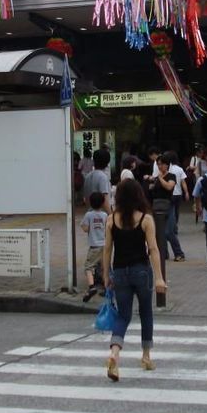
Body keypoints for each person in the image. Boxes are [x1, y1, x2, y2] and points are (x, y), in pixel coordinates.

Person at [102, 178, 166, 382]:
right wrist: (159, 278)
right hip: (141, 271)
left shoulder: (111, 219)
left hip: (120, 272)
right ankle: (146, 356)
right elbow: (154, 249)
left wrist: (106, 274)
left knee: (123, 316)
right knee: (146, 312)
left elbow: (107, 249)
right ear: (139, 194)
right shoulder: (145, 219)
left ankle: (114, 353)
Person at [80, 191, 108, 302]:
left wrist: (90, 227)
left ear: (90, 203)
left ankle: (91, 287)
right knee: (104, 267)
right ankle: (107, 288)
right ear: (102, 203)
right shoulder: (105, 215)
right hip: (105, 245)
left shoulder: (89, 215)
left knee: (88, 266)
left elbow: (85, 228)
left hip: (94, 246)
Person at [82, 147, 112, 213]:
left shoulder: (88, 176)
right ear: (107, 163)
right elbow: (105, 201)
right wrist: (111, 216)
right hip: (102, 217)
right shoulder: (103, 177)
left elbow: (86, 199)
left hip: (90, 213)